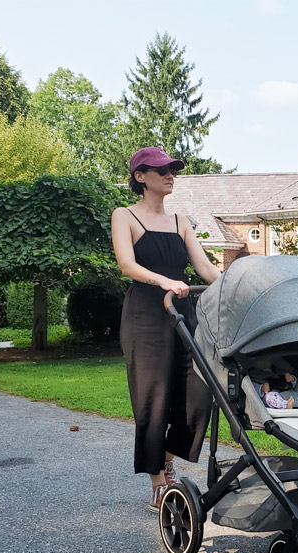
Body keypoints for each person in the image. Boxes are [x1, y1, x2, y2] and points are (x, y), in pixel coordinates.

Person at [111, 146, 222, 512]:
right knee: (153, 398)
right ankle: (159, 479)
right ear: (140, 177)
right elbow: (127, 264)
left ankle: (168, 456)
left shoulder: (181, 221)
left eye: (172, 170)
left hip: (182, 313)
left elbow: (206, 270)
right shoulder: (124, 216)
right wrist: (165, 282)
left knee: (200, 391)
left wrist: (238, 286)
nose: (170, 174)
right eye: (161, 170)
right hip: (146, 316)